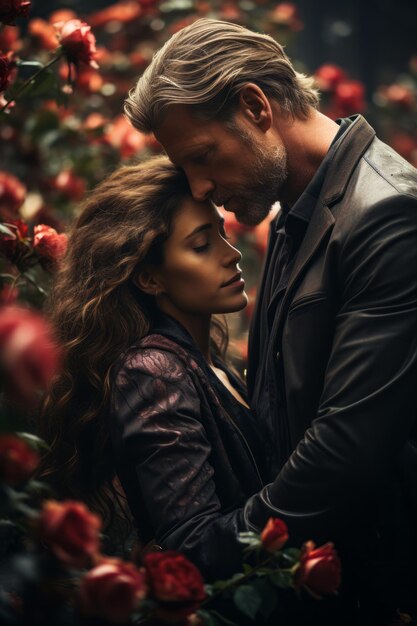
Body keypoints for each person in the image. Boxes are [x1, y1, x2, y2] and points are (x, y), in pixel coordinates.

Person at [124, 18, 417, 623]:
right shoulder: (295, 211)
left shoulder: (387, 215)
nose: (200, 186)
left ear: (255, 106)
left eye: (203, 156)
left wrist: (217, 548)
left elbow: (347, 447)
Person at [38, 155, 267, 580]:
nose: (231, 254)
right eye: (201, 245)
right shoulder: (152, 371)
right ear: (149, 279)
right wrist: (307, 492)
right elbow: (193, 543)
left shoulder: (203, 361)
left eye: (221, 233)